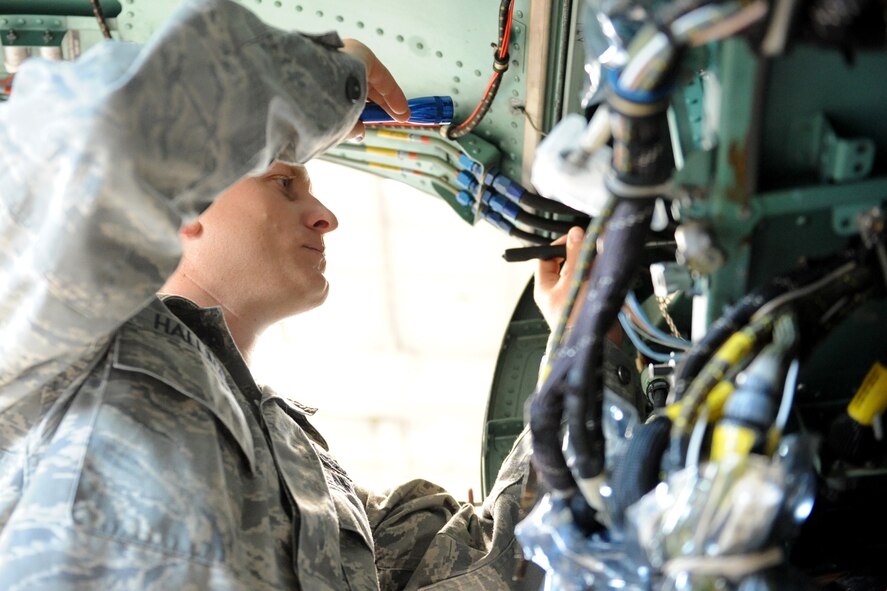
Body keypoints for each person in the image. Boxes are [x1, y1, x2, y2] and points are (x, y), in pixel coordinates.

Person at [0, 0, 600, 589]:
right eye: (284, 184)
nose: (325, 216)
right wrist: (331, 78)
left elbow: (504, 562)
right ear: (189, 204)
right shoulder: (63, 339)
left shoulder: (312, 477)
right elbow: (107, 135)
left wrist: (575, 342)